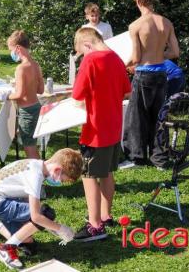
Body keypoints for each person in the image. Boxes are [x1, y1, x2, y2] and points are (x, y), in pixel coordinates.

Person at [71, 27, 132, 242]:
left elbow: (77, 94)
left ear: (87, 45)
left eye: (82, 51)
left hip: (94, 130)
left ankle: (95, 225)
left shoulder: (90, 60)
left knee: (88, 176)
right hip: (113, 127)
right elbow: (127, 90)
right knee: (106, 173)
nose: (83, 56)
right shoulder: (116, 58)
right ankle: (105, 216)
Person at [0, 148, 81, 270]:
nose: (59, 182)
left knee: (27, 243)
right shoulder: (35, 175)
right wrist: (60, 228)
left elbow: (26, 200)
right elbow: (36, 216)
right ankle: (6, 248)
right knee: (45, 213)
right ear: (57, 170)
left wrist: (49, 227)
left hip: (1, 199)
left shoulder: (36, 166)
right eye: (62, 180)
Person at [121, 0, 180, 169]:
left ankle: (136, 158)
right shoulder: (166, 23)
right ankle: (160, 159)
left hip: (143, 75)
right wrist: (157, 55)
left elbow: (137, 57)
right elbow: (175, 52)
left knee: (137, 117)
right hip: (161, 74)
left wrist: (122, 64)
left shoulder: (136, 26)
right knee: (159, 117)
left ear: (138, 0)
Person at [6, 30, 44, 159]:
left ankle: (38, 175)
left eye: (10, 50)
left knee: (29, 148)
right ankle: (40, 173)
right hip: (37, 107)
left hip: (27, 112)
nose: (11, 53)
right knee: (33, 144)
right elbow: (40, 90)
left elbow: (20, 94)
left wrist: (6, 96)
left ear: (17, 48)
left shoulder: (21, 68)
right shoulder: (36, 64)